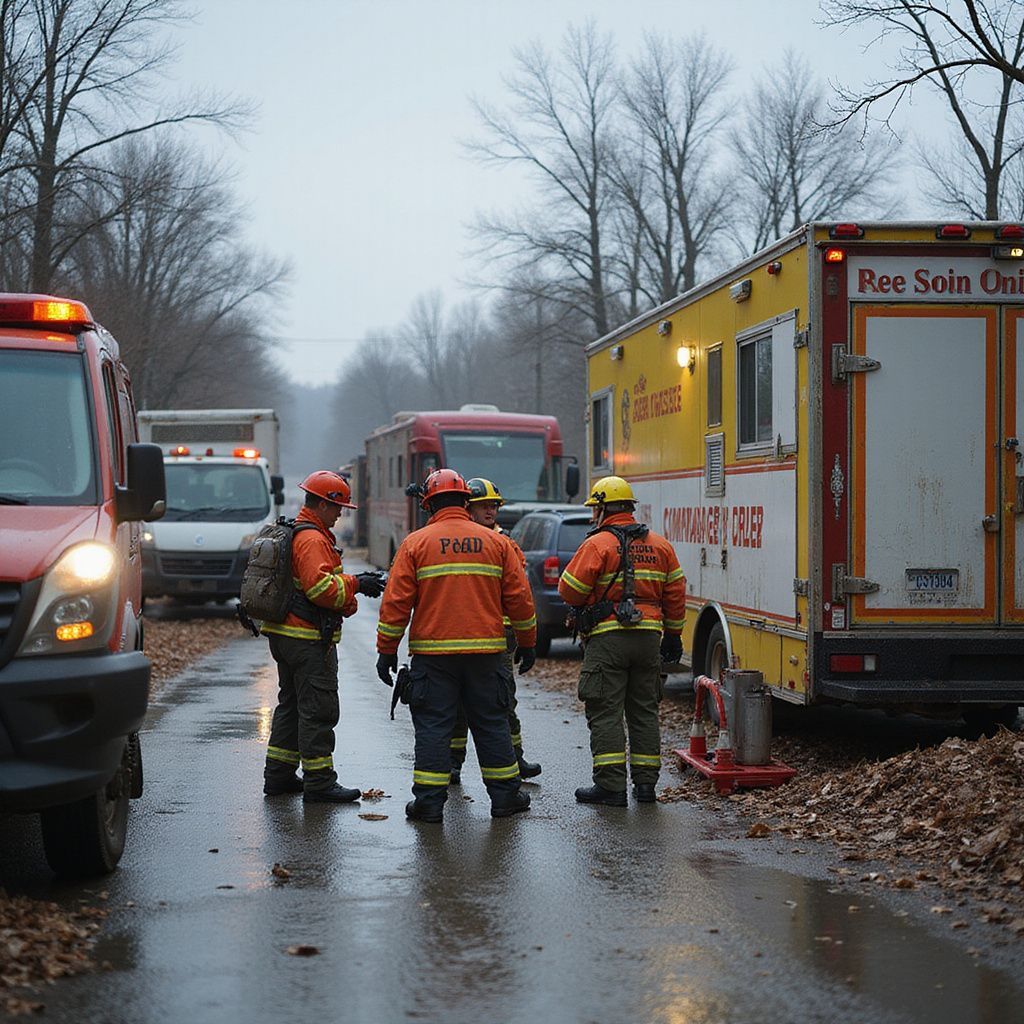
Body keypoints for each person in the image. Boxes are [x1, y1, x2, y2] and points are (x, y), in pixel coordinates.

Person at [375, 468, 537, 823]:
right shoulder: (497, 544)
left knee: (434, 727)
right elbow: (520, 600)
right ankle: (505, 799)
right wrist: (527, 643)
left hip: (434, 659)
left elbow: (396, 603)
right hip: (487, 655)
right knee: (492, 724)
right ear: (466, 501)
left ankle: (429, 804)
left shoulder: (415, 544)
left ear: (429, 504)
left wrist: (387, 649)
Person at [558, 475, 686, 806]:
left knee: (605, 711)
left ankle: (611, 787)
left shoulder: (597, 544)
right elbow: (675, 593)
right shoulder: (660, 546)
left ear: (602, 509)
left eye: (593, 510)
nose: (591, 516)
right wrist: (673, 635)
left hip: (607, 639)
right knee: (644, 711)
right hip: (648, 640)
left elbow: (569, 589)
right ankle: (645, 787)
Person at [261, 470, 385, 803]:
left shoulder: (300, 532)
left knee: (290, 705)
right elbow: (320, 589)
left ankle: (279, 775)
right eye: (338, 507)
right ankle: (319, 782)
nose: (341, 513)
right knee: (318, 709)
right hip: (306, 638)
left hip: (286, 636)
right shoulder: (313, 539)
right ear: (321, 504)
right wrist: (357, 585)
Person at [448, 477, 541, 784]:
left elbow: (520, 594)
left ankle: (515, 760)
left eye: (493, 506)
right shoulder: (457, 540)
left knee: (503, 701)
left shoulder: (507, 544)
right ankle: (452, 764)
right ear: (467, 508)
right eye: (482, 506)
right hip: (464, 633)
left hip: (500, 638)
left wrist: (526, 640)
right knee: (457, 705)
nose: (490, 511)